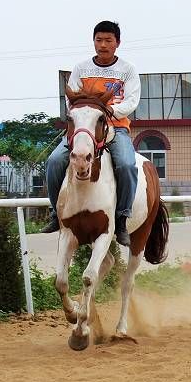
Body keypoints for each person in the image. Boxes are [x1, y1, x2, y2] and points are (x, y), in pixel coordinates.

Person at [41, 20, 141, 247]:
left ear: (117, 43)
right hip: (84, 127)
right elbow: (72, 98)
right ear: (93, 41)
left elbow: (132, 101)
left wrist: (108, 111)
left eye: (108, 40)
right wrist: (87, 113)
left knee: (126, 164)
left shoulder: (127, 70)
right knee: (54, 161)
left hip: (115, 127)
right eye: (99, 40)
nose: (103, 45)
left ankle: (122, 218)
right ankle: (56, 213)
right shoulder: (81, 69)